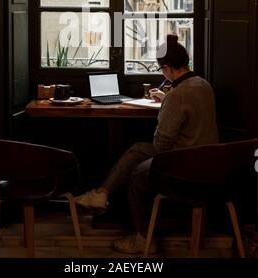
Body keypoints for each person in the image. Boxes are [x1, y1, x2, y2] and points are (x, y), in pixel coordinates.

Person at [75, 34, 219, 253]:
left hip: (184, 169)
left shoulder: (176, 96)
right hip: (209, 165)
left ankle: (142, 237)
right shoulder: (203, 85)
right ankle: (101, 194)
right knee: (138, 150)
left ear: (168, 67)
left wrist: (167, 104)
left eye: (162, 70)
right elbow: (187, 110)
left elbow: (161, 146)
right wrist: (166, 100)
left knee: (135, 171)